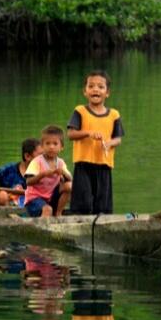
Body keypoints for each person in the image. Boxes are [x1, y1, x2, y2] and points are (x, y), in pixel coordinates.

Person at [67, 70, 124, 215]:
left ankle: (100, 229)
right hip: (83, 165)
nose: (95, 90)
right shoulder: (80, 111)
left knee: (103, 205)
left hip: (104, 165)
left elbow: (118, 138)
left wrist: (109, 144)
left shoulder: (114, 114)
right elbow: (71, 134)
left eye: (100, 86)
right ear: (85, 91)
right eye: (91, 86)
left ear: (107, 92)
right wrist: (88, 133)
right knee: (83, 203)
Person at [24, 125, 72, 217]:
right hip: (35, 198)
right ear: (42, 146)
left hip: (50, 197)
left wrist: (63, 172)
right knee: (48, 210)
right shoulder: (37, 161)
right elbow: (28, 182)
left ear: (61, 147)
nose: (51, 147)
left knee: (69, 186)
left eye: (55, 144)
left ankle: (58, 213)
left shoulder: (61, 162)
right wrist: (43, 174)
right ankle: (43, 229)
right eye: (48, 143)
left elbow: (70, 179)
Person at [0, 138, 42, 207]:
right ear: (27, 156)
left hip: (30, 203)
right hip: (7, 203)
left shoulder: (43, 172)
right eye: (40, 156)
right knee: (2, 196)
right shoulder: (10, 169)